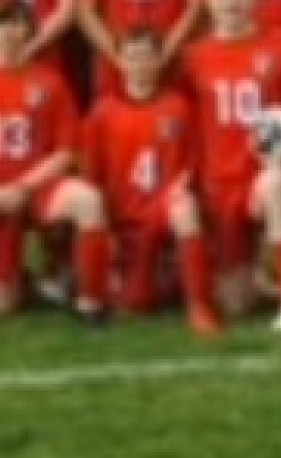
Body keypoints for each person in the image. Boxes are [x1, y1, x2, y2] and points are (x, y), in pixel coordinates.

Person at [0, 0, 113, 321]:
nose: (8, 32)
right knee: (1, 307)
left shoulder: (50, 82)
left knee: (88, 200)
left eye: (17, 23)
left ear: (29, 31)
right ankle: (13, 277)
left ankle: (90, 299)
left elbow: (66, 151)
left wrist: (23, 186)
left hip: (37, 189)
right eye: (0, 24)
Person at [180, 0, 281, 332]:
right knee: (236, 302)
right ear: (208, 1)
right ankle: (268, 277)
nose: (232, 3)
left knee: (274, 185)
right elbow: (187, 127)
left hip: (263, 173)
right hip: (218, 181)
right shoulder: (194, 57)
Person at [81, 30, 222, 335]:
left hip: (162, 209)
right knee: (136, 303)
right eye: (132, 57)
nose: (139, 65)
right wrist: (108, 231)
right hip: (123, 215)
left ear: (159, 60)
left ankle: (199, 307)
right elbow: (92, 179)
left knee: (184, 208)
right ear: (119, 62)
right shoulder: (102, 112)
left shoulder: (178, 106)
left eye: (146, 57)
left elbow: (190, 165)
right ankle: (149, 280)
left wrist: (178, 192)